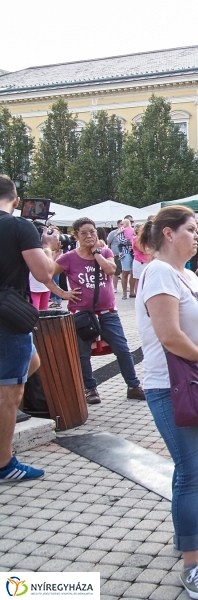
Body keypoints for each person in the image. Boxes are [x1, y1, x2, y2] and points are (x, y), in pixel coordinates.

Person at [136, 206, 198, 599]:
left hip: (197, 382)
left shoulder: (188, 274)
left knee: (196, 470)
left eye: (197, 230)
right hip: (171, 385)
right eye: (191, 230)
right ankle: (191, 564)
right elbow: (169, 334)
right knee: (191, 473)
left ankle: (189, 533)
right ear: (168, 233)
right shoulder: (158, 272)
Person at [0, 175, 61, 482]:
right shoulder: (19, 226)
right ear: (16, 200)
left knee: (32, 361)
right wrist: (48, 247)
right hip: (8, 317)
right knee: (11, 391)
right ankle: (4, 464)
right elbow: (44, 272)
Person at [51, 217, 144, 405]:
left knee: (122, 349)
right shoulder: (69, 258)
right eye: (84, 233)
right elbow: (45, 275)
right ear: (76, 235)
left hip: (108, 313)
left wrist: (96, 253)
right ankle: (90, 389)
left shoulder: (105, 251)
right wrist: (62, 293)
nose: (89, 236)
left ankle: (133, 386)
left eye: (92, 232)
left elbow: (111, 270)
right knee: (83, 354)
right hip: (82, 315)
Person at [118, 218, 135, 299]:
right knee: (125, 273)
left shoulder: (133, 229)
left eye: (132, 221)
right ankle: (124, 293)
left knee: (133, 273)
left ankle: (132, 292)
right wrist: (132, 242)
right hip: (125, 252)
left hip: (134, 252)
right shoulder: (121, 229)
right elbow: (121, 240)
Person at [107, 220, 123, 292]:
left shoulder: (127, 232)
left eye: (123, 224)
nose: (122, 226)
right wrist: (110, 251)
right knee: (116, 272)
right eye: (121, 224)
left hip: (125, 254)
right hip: (116, 255)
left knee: (125, 272)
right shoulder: (113, 233)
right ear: (117, 225)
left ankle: (125, 287)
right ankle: (115, 287)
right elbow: (108, 241)